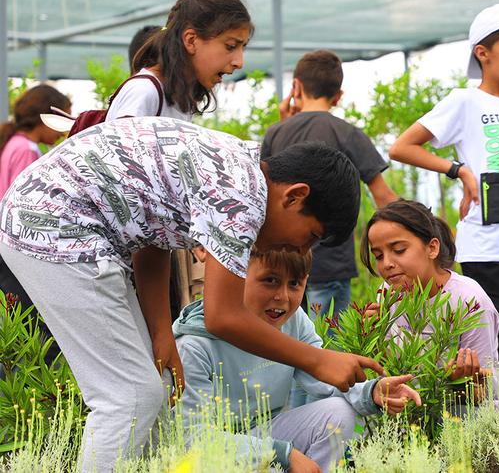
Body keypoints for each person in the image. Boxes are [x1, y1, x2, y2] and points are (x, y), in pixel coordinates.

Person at [0, 117, 384, 472]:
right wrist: (317, 359)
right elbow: (222, 316)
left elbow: (152, 240)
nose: (301, 250)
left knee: (151, 391)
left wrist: (161, 334)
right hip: (53, 223)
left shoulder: (239, 168)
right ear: (294, 196)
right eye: (311, 236)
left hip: (53, 214)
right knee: (128, 396)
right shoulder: (242, 195)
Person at [388, 4, 499, 408]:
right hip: (488, 247)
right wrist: (459, 171)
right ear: (483, 53)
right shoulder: (464, 101)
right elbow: (402, 146)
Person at [175, 246, 421, 472]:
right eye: (270, 280)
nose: (283, 296)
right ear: (235, 273)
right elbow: (193, 440)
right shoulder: (194, 344)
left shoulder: (292, 320)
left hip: (267, 428)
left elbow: (323, 377)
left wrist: (372, 391)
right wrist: (280, 454)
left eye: (294, 283)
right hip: (216, 449)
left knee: (339, 413)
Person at [261, 49, 397, 409]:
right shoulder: (347, 132)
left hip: (278, 266)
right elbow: (384, 196)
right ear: (338, 96)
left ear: (296, 87)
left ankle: (289, 426)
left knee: (290, 347)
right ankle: (323, 428)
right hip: (330, 266)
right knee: (328, 352)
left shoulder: (276, 132)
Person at [360, 200, 499, 408]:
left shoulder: (469, 300)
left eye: (399, 250)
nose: (387, 264)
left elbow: (485, 394)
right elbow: (391, 375)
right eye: (378, 255)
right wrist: (372, 339)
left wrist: (459, 383)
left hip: (470, 417)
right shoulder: (387, 295)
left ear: (432, 248)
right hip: (412, 415)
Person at [0, 84, 71, 366]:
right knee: (32, 329)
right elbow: (28, 207)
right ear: (46, 116)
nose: (64, 131)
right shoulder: (27, 150)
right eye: (63, 120)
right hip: (13, 247)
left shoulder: (15, 143)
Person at [107, 0, 252, 121]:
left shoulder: (182, 100)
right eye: (230, 46)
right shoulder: (144, 92)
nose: (239, 63)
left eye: (242, 48)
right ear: (191, 41)